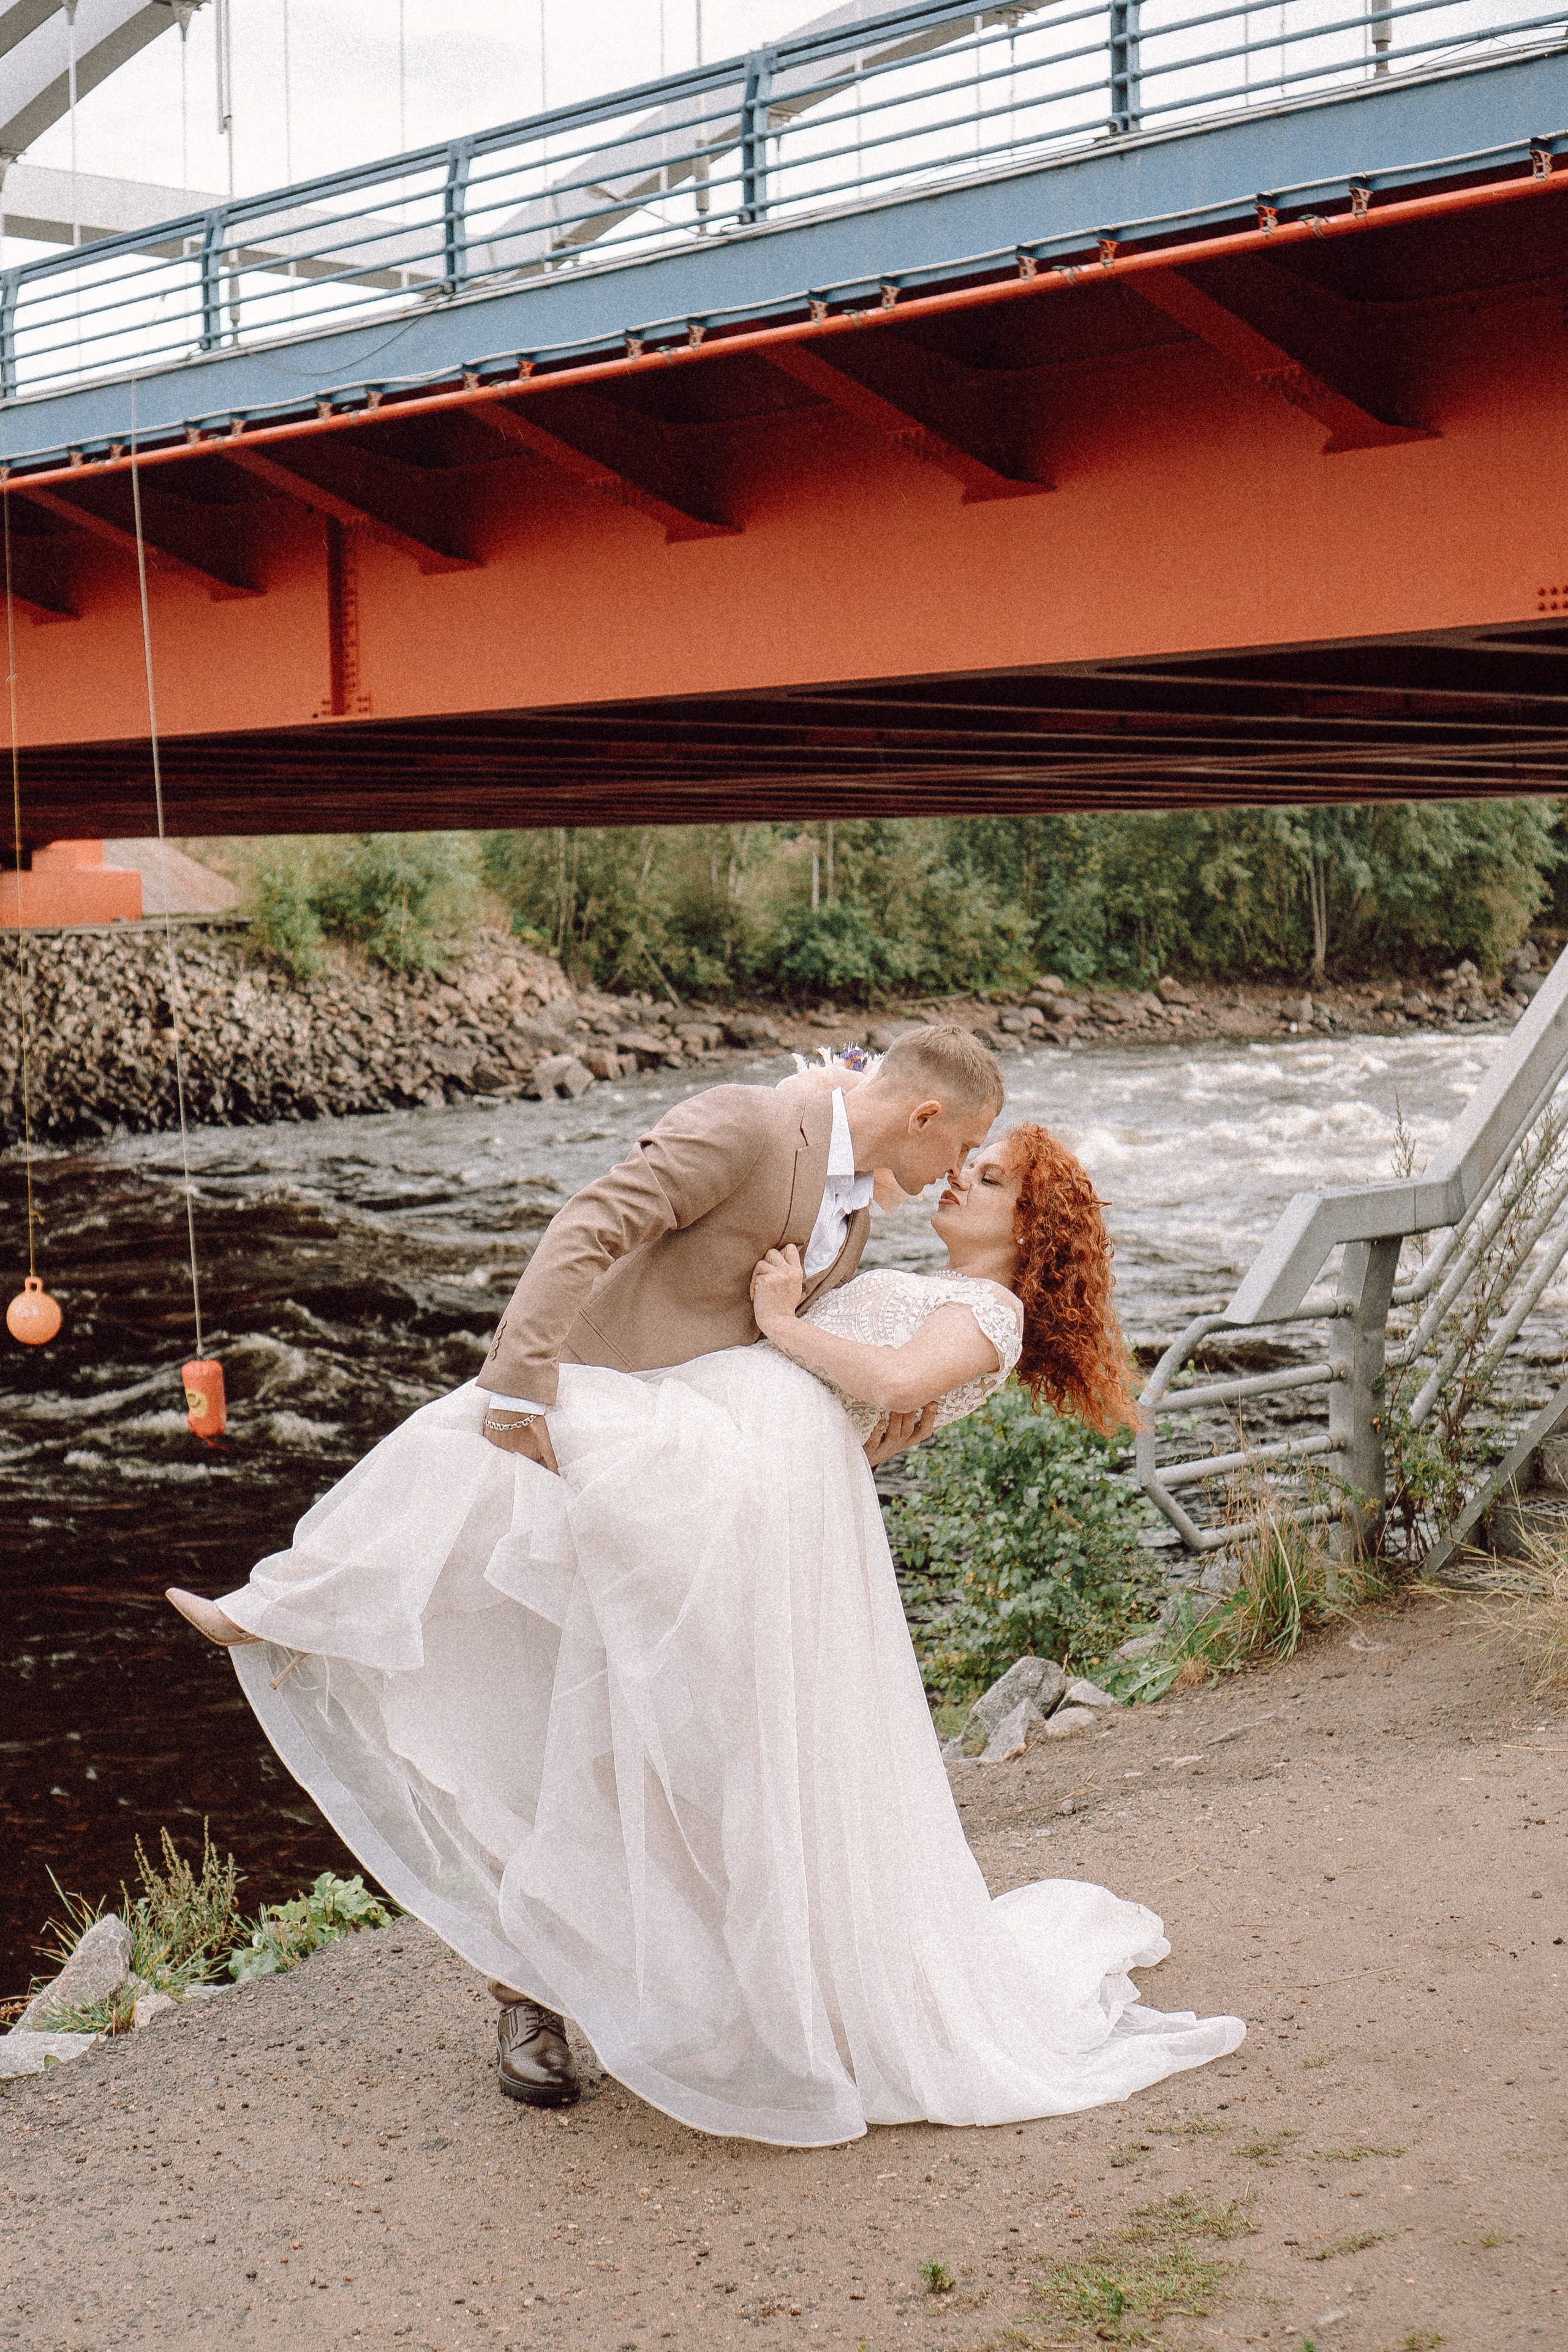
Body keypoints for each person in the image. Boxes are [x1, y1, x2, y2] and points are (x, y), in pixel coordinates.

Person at [169, 1030, 1244, 2144]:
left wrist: (795, 1336)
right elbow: (677, 1206)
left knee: (688, 1742)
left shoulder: (969, 1296)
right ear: (922, 1117)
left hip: (751, 1484)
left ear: (1026, 1226)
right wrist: (530, 1380)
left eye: (990, 1169)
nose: (962, 1172)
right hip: (724, 1460)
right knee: (541, 1546)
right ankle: (308, 1610)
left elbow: (882, 1381)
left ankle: (690, 1991)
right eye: (967, 1149)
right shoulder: (790, 1145)